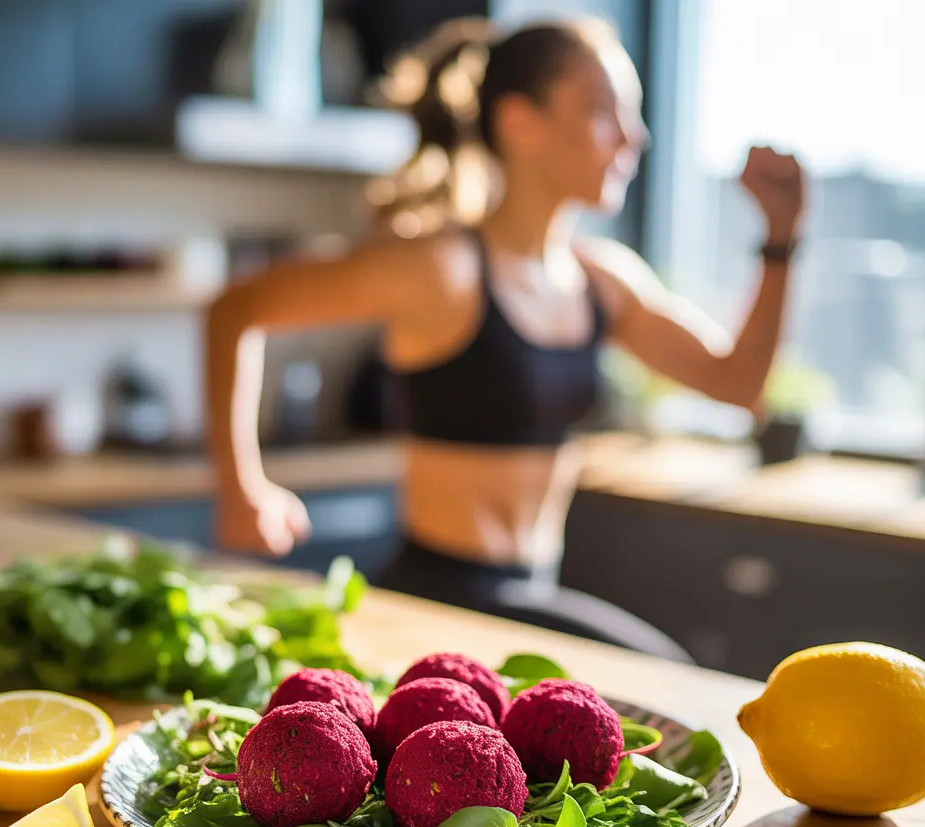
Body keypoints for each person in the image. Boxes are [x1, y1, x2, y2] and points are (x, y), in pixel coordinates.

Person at [205, 18, 805, 661]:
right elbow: (235, 309)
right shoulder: (443, 267)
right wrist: (243, 487)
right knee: (668, 681)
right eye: (605, 112)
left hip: (530, 596)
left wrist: (780, 241)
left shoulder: (600, 281)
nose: (635, 137)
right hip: (439, 601)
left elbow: (738, 383)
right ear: (521, 123)